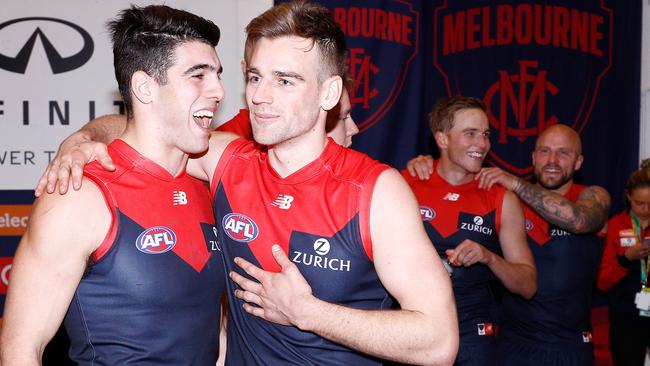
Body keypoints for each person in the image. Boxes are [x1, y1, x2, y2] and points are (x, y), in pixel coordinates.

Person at [34, 2, 459, 365]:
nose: (259, 96)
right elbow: (147, 121)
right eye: (255, 77)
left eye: (284, 81)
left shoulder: (375, 190)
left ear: (329, 94)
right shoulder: (226, 161)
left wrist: (310, 313)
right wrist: (82, 140)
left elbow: (438, 342)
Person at [0, 5, 226, 365]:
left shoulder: (211, 182)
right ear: (144, 88)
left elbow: (212, 328)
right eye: (198, 75)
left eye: (217, 74)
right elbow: (20, 351)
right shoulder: (79, 196)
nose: (218, 90)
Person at [409, 123, 611, 365]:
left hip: (570, 347)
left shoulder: (593, 196)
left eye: (564, 152)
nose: (553, 160)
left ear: (579, 162)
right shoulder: (507, 200)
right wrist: (432, 166)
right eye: (545, 151)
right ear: (533, 158)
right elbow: (453, 188)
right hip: (511, 345)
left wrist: (514, 182)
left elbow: (579, 221)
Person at [403, 96, 536, 365]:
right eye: (470, 134)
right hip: (412, 326)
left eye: (485, 134)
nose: (482, 144)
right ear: (442, 139)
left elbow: (528, 285)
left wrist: (489, 257)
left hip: (474, 332)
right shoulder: (406, 184)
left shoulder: (501, 199)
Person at [597, 159, 650, 366]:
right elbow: (602, 282)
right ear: (628, 196)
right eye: (639, 203)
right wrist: (626, 259)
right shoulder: (615, 226)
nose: (646, 209)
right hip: (626, 317)